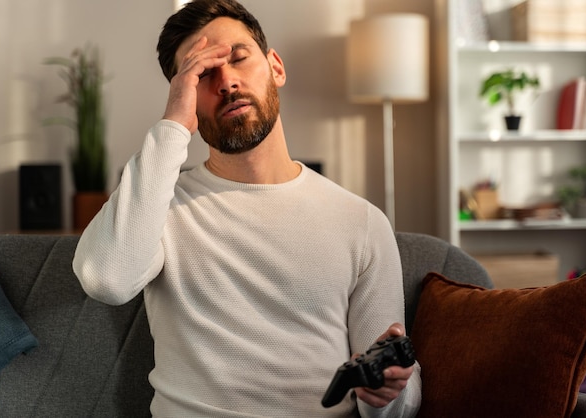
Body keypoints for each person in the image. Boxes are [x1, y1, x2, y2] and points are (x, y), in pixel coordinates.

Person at [72, 0, 422, 416]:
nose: (227, 82)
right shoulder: (159, 207)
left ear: (275, 66)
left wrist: (386, 394)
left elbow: (398, 402)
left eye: (238, 58)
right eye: (202, 74)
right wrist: (172, 126)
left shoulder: (361, 222)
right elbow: (106, 279)